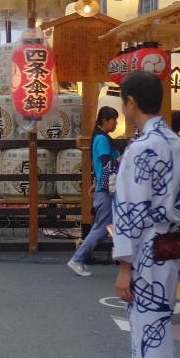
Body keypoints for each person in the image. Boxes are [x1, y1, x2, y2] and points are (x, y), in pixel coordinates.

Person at [106, 69, 180, 358]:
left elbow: (129, 209)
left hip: (146, 250)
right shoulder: (176, 143)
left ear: (131, 103)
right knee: (147, 330)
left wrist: (125, 265)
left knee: (152, 335)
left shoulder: (141, 148)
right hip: (172, 246)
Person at [68, 107, 121, 277]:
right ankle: (77, 258)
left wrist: (96, 182)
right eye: (114, 120)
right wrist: (126, 156)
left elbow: (101, 167)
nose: (116, 123)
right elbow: (108, 163)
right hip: (107, 190)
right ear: (105, 121)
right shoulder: (102, 140)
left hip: (104, 188)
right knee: (101, 228)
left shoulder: (99, 138)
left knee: (105, 226)